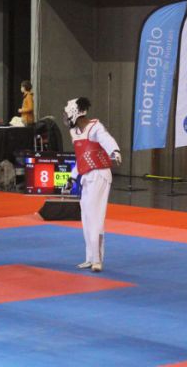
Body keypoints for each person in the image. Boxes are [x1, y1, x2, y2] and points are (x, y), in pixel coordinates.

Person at [63, 97, 121, 273]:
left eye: (67, 114)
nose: (65, 117)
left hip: (100, 175)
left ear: (75, 113)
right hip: (86, 176)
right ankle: (90, 257)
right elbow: (81, 158)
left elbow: (106, 139)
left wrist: (114, 151)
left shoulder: (96, 127)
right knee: (86, 217)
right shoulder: (74, 133)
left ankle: (97, 259)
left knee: (95, 216)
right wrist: (72, 178)